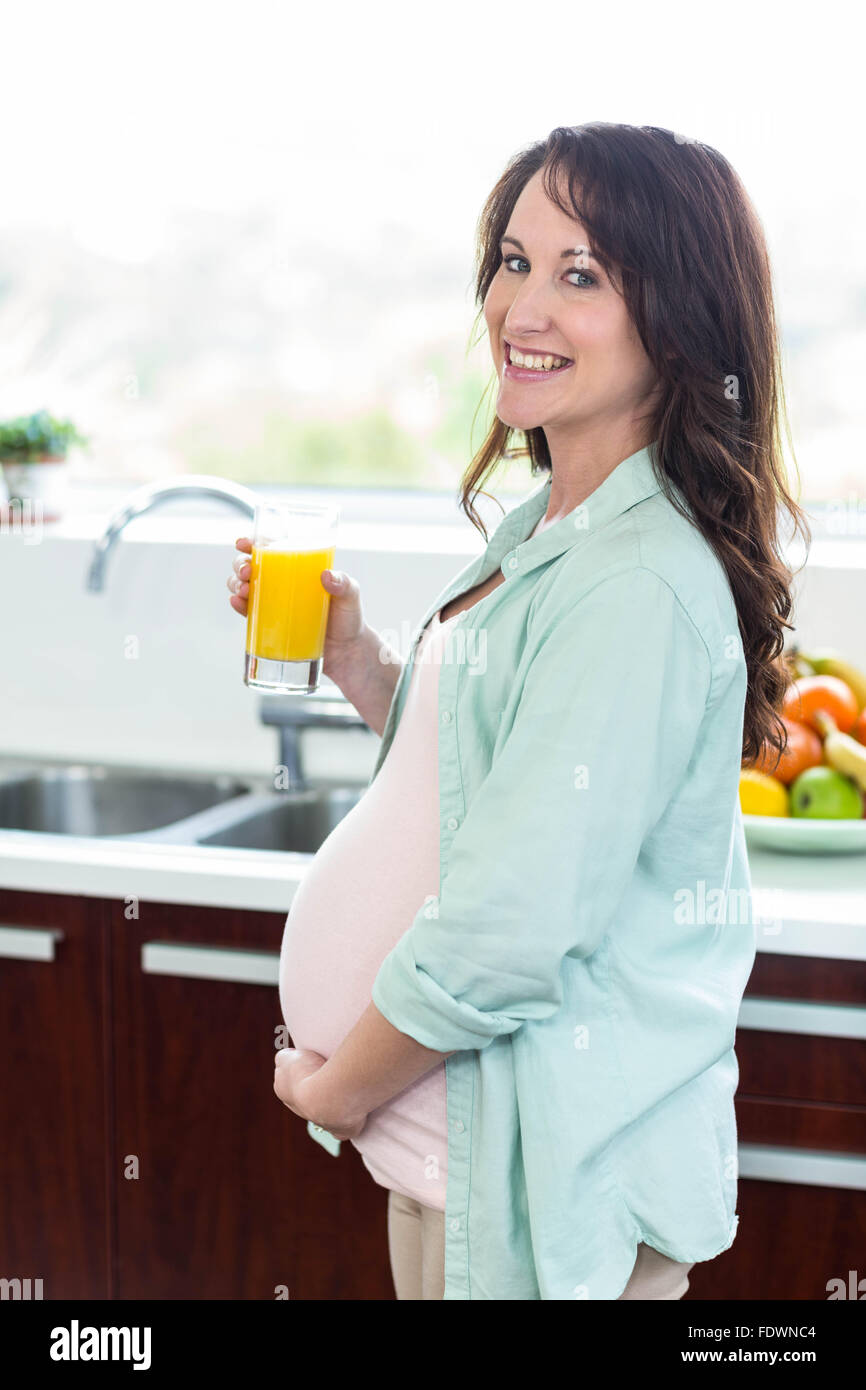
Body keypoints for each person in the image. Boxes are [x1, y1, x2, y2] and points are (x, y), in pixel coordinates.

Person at [227, 122, 809, 1301]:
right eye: (511, 260)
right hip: (466, 1168)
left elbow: (511, 919)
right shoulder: (550, 522)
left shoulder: (637, 580)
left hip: (544, 1194)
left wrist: (340, 1092)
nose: (521, 306)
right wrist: (358, 665)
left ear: (678, 320)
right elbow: (496, 775)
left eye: (579, 274)